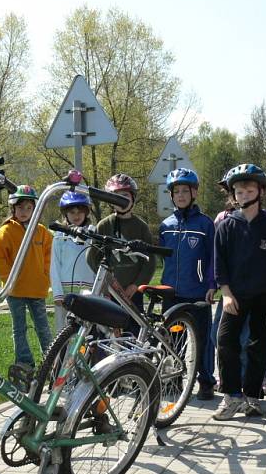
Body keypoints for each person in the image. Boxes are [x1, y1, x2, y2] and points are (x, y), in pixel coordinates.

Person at [213, 164, 266, 421]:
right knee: (225, 342)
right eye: (239, 191)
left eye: (249, 189)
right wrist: (225, 293)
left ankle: (253, 397)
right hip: (234, 295)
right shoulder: (226, 225)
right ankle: (231, 396)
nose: (243, 195)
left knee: (259, 345)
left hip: (263, 296)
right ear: (233, 195)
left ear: (260, 191)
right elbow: (219, 263)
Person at [158, 168, 216, 400]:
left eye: (185, 191)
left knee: (202, 337)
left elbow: (214, 257)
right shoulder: (166, 225)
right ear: (171, 195)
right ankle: (173, 380)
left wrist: (211, 283)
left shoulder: (205, 224)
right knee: (172, 338)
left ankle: (206, 381)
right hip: (171, 294)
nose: (181, 195)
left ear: (194, 193)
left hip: (198, 292)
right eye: (176, 191)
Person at [87, 174, 157, 330]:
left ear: (133, 197)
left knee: (134, 329)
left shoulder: (141, 227)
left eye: (125, 195)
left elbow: (150, 262)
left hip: (133, 292)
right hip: (111, 291)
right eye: (115, 196)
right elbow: (92, 257)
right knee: (112, 331)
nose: (120, 200)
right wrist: (106, 281)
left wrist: (136, 285)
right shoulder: (104, 225)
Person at [0, 185, 53, 368]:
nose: (24, 212)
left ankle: (52, 360)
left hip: (37, 288)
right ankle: (24, 362)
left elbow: (49, 255)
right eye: (20, 208)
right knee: (19, 328)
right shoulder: (6, 231)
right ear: (13, 208)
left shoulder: (42, 231)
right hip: (15, 290)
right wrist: (7, 280)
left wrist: (45, 277)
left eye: (29, 208)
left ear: (35, 209)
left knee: (43, 327)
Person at [50, 191, 95, 332]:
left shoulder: (93, 234)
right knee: (64, 331)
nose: (76, 216)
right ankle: (62, 355)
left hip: (88, 291)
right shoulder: (59, 236)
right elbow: (54, 266)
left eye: (80, 212)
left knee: (86, 331)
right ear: (65, 213)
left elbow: (97, 263)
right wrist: (57, 293)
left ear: (86, 212)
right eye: (72, 212)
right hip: (66, 292)